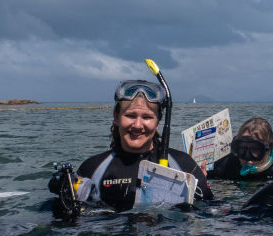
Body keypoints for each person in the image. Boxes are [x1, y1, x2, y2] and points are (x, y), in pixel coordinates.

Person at [50, 78, 212, 215]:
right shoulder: (93, 169)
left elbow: (213, 213)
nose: (137, 125)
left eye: (147, 117)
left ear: (158, 121)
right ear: (116, 117)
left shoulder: (183, 165)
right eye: (130, 115)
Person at [208, 117, 273, 182]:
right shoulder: (223, 167)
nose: (248, 159)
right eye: (242, 148)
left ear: (270, 150)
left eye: (255, 149)